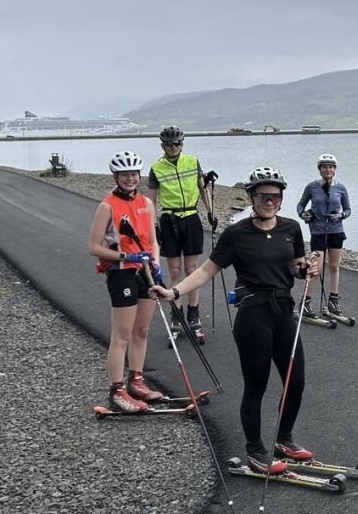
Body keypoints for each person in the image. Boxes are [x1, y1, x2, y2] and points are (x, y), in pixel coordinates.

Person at [150, 166, 319, 475]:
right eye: (263, 196)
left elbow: (296, 266)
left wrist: (306, 269)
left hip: (284, 312)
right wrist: (173, 292)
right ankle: (255, 451)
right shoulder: (236, 234)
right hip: (253, 316)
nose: (270, 201)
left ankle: (284, 439)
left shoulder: (292, 228)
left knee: (296, 381)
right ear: (251, 197)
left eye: (276, 196)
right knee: (257, 385)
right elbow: (206, 271)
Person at [88, 151, 164, 413]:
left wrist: (156, 262)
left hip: (145, 272)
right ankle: (117, 390)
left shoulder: (146, 203)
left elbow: (153, 241)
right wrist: (126, 256)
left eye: (134, 174)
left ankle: (137, 381)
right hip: (121, 273)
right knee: (122, 334)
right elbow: (94, 247)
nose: (130, 178)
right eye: (124, 174)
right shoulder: (107, 206)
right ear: (116, 177)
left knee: (142, 330)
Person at [145, 126, 216, 335]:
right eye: (169, 144)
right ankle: (176, 314)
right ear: (163, 146)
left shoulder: (192, 161)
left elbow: (203, 188)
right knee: (175, 270)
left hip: (191, 217)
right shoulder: (156, 168)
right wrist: (154, 225)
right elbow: (151, 200)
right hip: (170, 220)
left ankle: (194, 313)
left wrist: (211, 212)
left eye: (177, 143)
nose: (173, 147)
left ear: (182, 144)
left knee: (192, 270)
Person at [296, 153, 352, 318]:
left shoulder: (341, 188)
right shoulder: (312, 187)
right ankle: (305, 303)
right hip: (318, 231)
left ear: (335, 169)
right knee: (316, 268)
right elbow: (300, 205)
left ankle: (333, 302)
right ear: (319, 169)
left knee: (334, 267)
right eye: (324, 167)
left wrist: (341, 216)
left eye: (331, 167)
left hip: (336, 231)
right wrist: (303, 215)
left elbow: (348, 209)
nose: (328, 170)